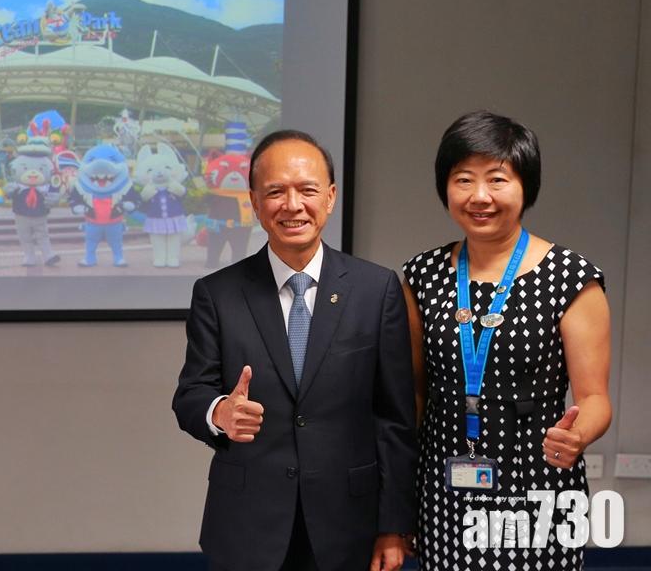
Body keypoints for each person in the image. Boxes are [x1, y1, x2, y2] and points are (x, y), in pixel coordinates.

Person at [173, 129, 418, 571]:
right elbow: (191, 393)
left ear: (330, 196)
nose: (292, 205)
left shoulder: (375, 289)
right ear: (253, 201)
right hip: (249, 524)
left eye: (306, 189)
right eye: (275, 192)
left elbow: (395, 418)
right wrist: (219, 413)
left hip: (350, 523)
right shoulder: (218, 293)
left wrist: (393, 526)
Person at [402, 111, 610, 569]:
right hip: (444, 488)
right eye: (463, 180)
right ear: (446, 187)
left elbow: (595, 398)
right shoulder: (421, 275)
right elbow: (415, 392)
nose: (480, 196)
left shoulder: (571, 279)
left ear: (525, 187)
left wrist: (576, 436)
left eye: (497, 179)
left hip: (537, 483)